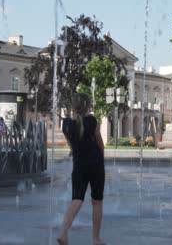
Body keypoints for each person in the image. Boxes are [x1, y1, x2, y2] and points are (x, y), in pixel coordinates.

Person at [57, 93, 105, 245]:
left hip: (78, 165)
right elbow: (99, 142)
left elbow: (71, 144)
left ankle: (63, 232)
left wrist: (75, 150)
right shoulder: (91, 120)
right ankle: (96, 239)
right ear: (87, 106)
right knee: (97, 202)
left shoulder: (65, 124)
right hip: (95, 165)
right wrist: (101, 160)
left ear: (73, 106)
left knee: (76, 199)